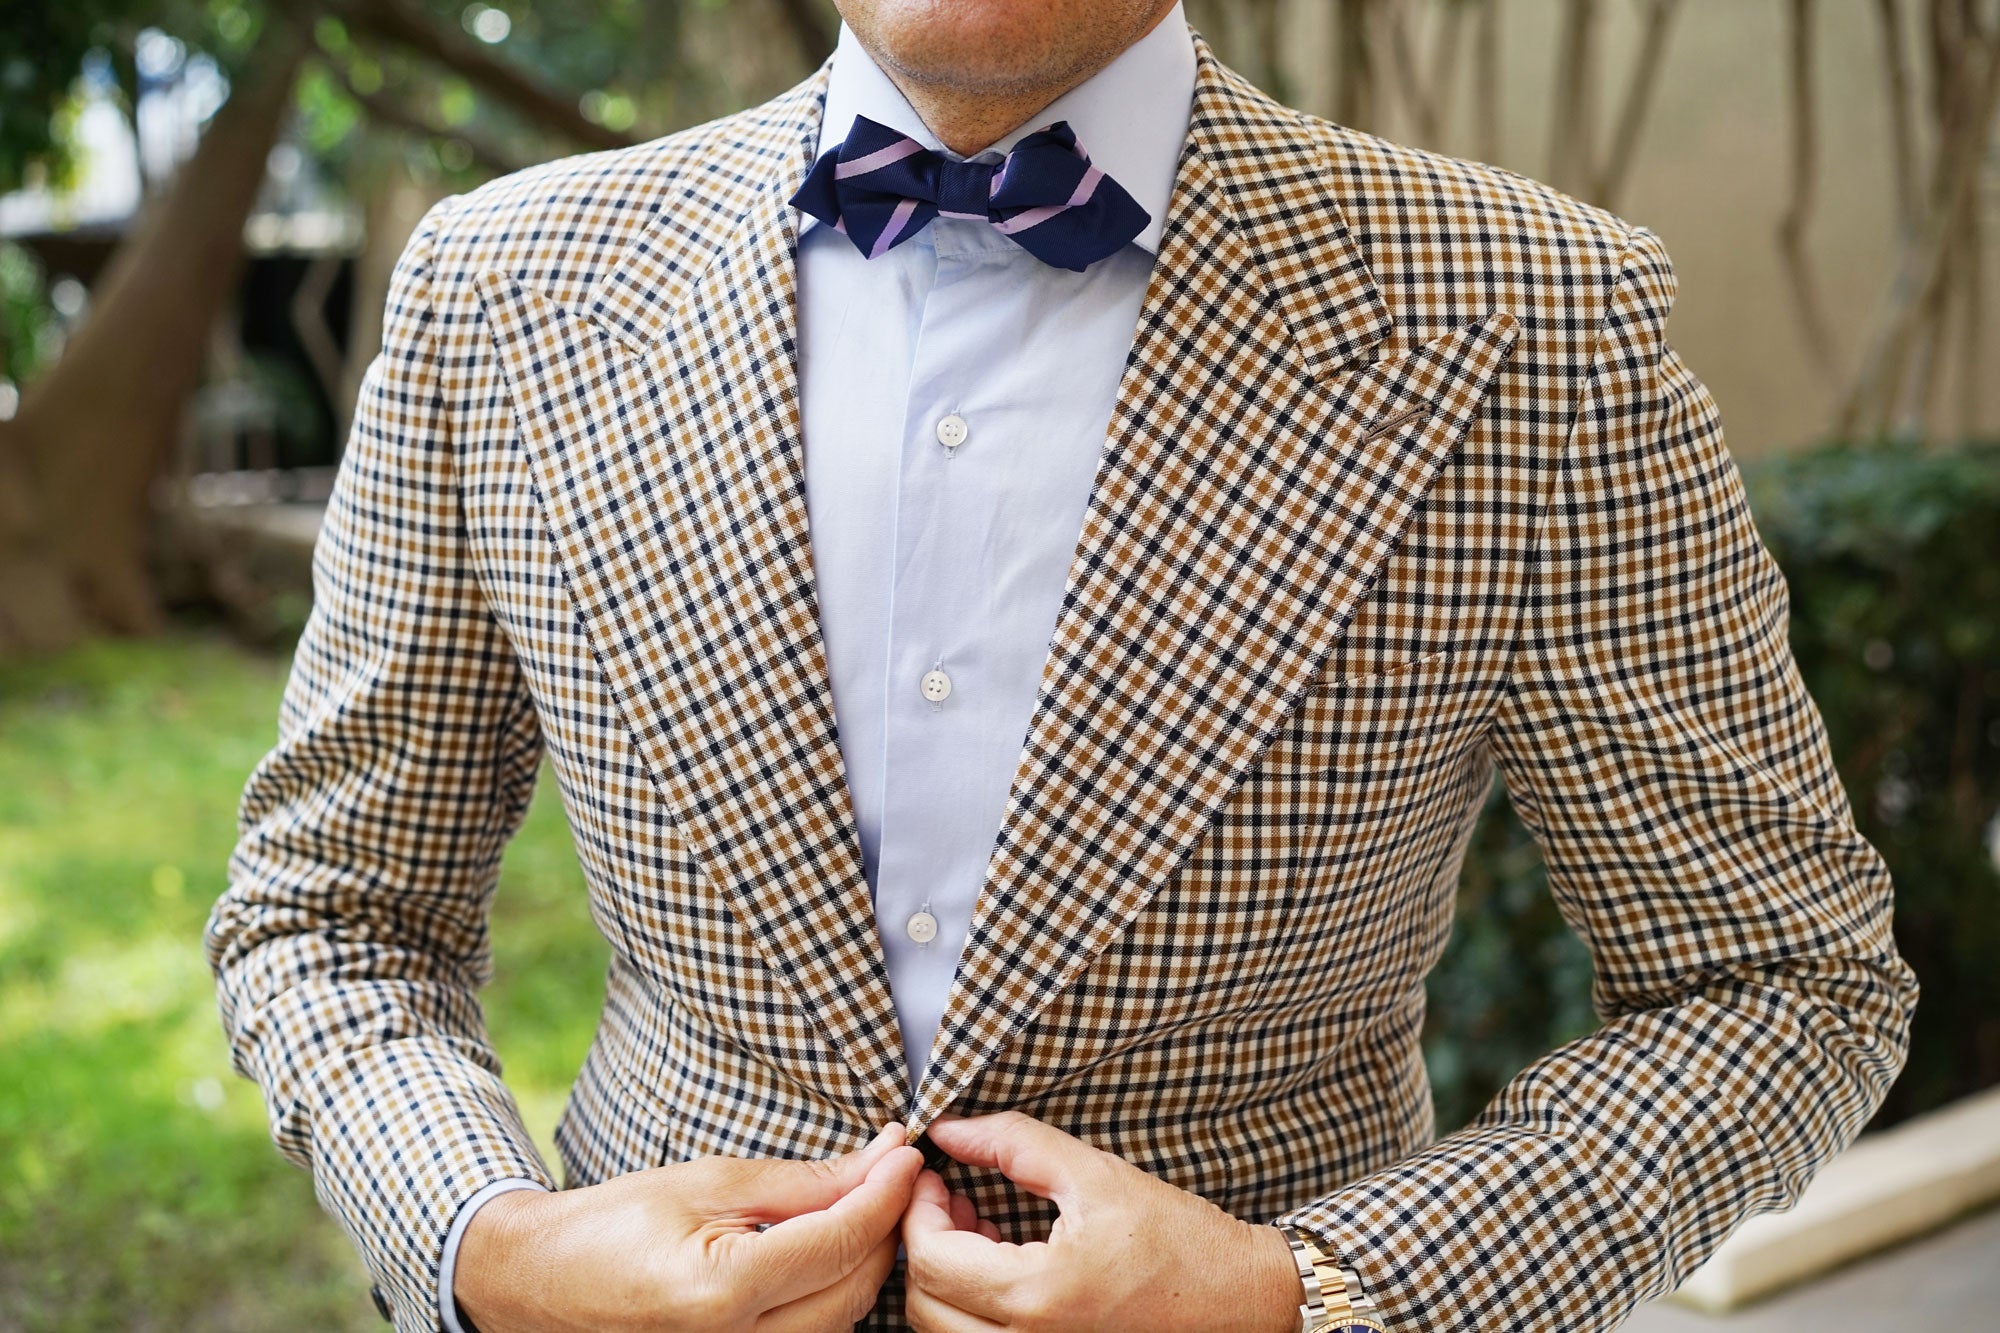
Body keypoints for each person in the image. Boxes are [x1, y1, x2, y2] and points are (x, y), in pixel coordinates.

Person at [204, 1, 1918, 1329]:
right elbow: (332, 913)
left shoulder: (1535, 323)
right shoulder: (502, 293)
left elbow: (1785, 984)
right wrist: (487, 1247)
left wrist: (1307, 1293)